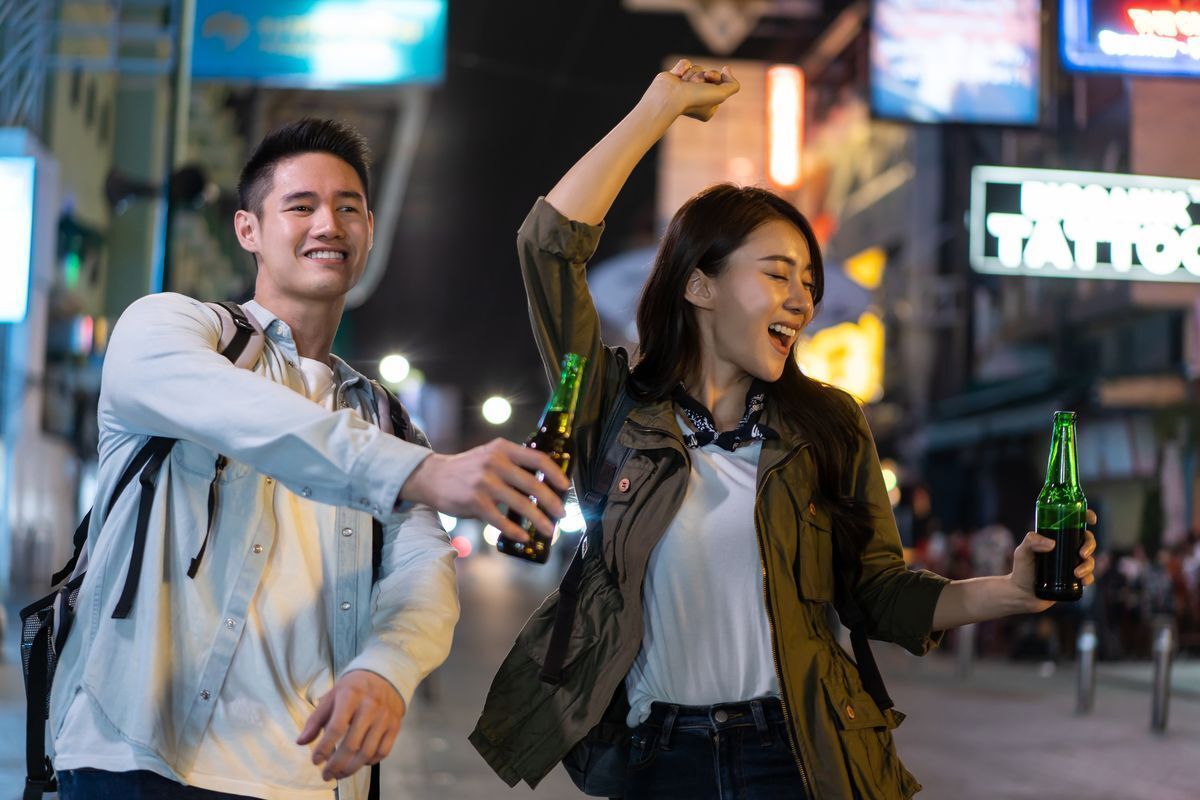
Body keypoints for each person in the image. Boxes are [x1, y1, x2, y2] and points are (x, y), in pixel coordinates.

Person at [470, 62, 1098, 799]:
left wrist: (1013, 592)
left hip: (796, 758)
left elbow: (878, 593)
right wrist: (658, 108)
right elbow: (546, 249)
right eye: (777, 274)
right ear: (699, 285)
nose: (802, 300)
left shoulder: (828, 423)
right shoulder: (614, 405)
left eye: (808, 280)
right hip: (655, 760)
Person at [49, 118, 569, 800]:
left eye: (348, 207)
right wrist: (425, 473)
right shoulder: (169, 331)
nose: (329, 223)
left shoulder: (383, 418)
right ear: (248, 230)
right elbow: (255, 418)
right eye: (301, 206)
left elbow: (423, 567)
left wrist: (386, 667)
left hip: (304, 777)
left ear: (370, 231)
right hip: (138, 759)